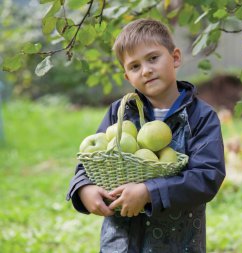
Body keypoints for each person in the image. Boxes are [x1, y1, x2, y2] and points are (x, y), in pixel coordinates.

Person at [66, 18, 225, 253]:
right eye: (134, 66)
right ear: (127, 77)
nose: (146, 70)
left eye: (153, 58)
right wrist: (83, 188)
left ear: (175, 57)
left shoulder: (200, 117)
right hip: (121, 242)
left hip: (177, 243)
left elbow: (207, 176)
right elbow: (93, 160)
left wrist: (150, 192)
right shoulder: (120, 113)